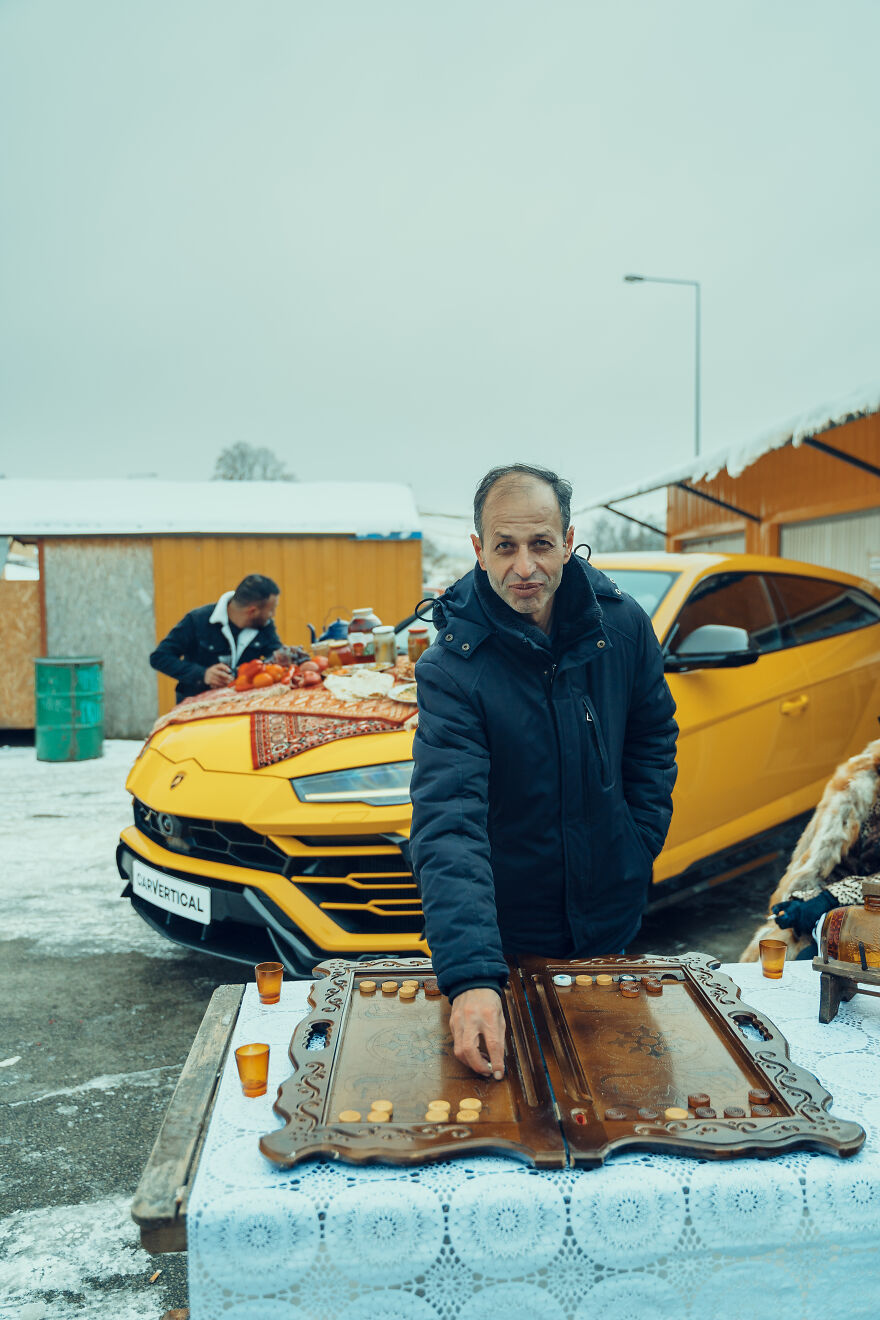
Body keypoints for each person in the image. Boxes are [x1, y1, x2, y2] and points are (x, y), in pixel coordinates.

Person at [409, 464, 678, 1080]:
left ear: (567, 538)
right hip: (508, 935)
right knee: (511, 1107)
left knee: (615, 1099)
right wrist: (474, 977)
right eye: (505, 546)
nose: (524, 567)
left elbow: (652, 739)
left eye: (541, 544)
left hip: (610, 918)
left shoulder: (623, 627)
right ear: (478, 549)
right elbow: (449, 821)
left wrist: (636, 846)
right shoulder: (453, 669)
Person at [742, 735, 880, 962]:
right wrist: (805, 901)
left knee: (814, 963)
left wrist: (829, 899)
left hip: (865, 922)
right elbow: (823, 865)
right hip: (850, 913)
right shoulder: (861, 780)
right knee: (780, 963)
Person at [150, 574, 283, 704]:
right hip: (194, 708)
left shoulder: (265, 626)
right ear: (252, 611)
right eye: (271, 610)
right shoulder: (197, 620)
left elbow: (278, 657)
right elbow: (159, 657)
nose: (273, 615)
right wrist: (203, 675)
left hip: (243, 707)